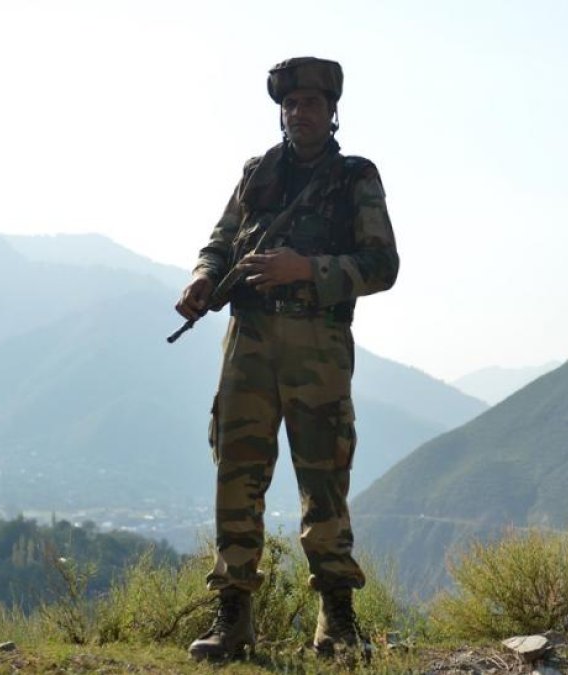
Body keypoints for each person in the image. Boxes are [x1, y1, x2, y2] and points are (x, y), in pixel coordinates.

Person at [175, 56, 398, 660]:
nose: (299, 113)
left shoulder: (354, 178)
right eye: (290, 103)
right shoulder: (258, 174)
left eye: (311, 104)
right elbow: (220, 240)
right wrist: (202, 278)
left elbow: (383, 266)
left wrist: (307, 269)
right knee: (236, 477)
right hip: (248, 339)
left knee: (323, 480)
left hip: (316, 346)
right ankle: (233, 616)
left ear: (332, 112)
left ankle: (338, 619)